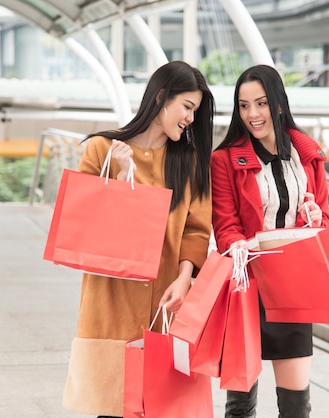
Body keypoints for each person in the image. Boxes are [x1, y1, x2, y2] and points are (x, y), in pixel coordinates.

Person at [62, 60, 215, 418]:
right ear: (162, 98)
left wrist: (184, 278)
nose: (191, 119)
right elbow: (84, 221)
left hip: (166, 300)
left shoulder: (190, 162)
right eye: (187, 107)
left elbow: (196, 229)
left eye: (195, 111)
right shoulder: (102, 149)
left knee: (162, 406)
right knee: (113, 406)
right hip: (110, 300)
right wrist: (120, 178)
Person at [210, 64, 329, 418]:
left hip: (292, 286)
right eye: (244, 105)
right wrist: (238, 244)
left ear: (278, 104)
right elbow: (225, 225)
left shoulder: (307, 156)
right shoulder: (224, 160)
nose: (252, 114)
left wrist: (312, 216)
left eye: (260, 103)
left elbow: (322, 219)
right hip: (245, 284)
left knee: (297, 406)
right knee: (240, 407)